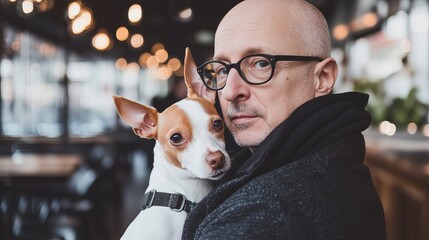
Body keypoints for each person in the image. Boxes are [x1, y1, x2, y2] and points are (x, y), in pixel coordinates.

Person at [182, 0, 386, 239]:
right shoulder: (337, 162)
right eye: (223, 70)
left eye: (260, 63)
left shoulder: (258, 216)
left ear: (322, 78)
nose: (229, 91)